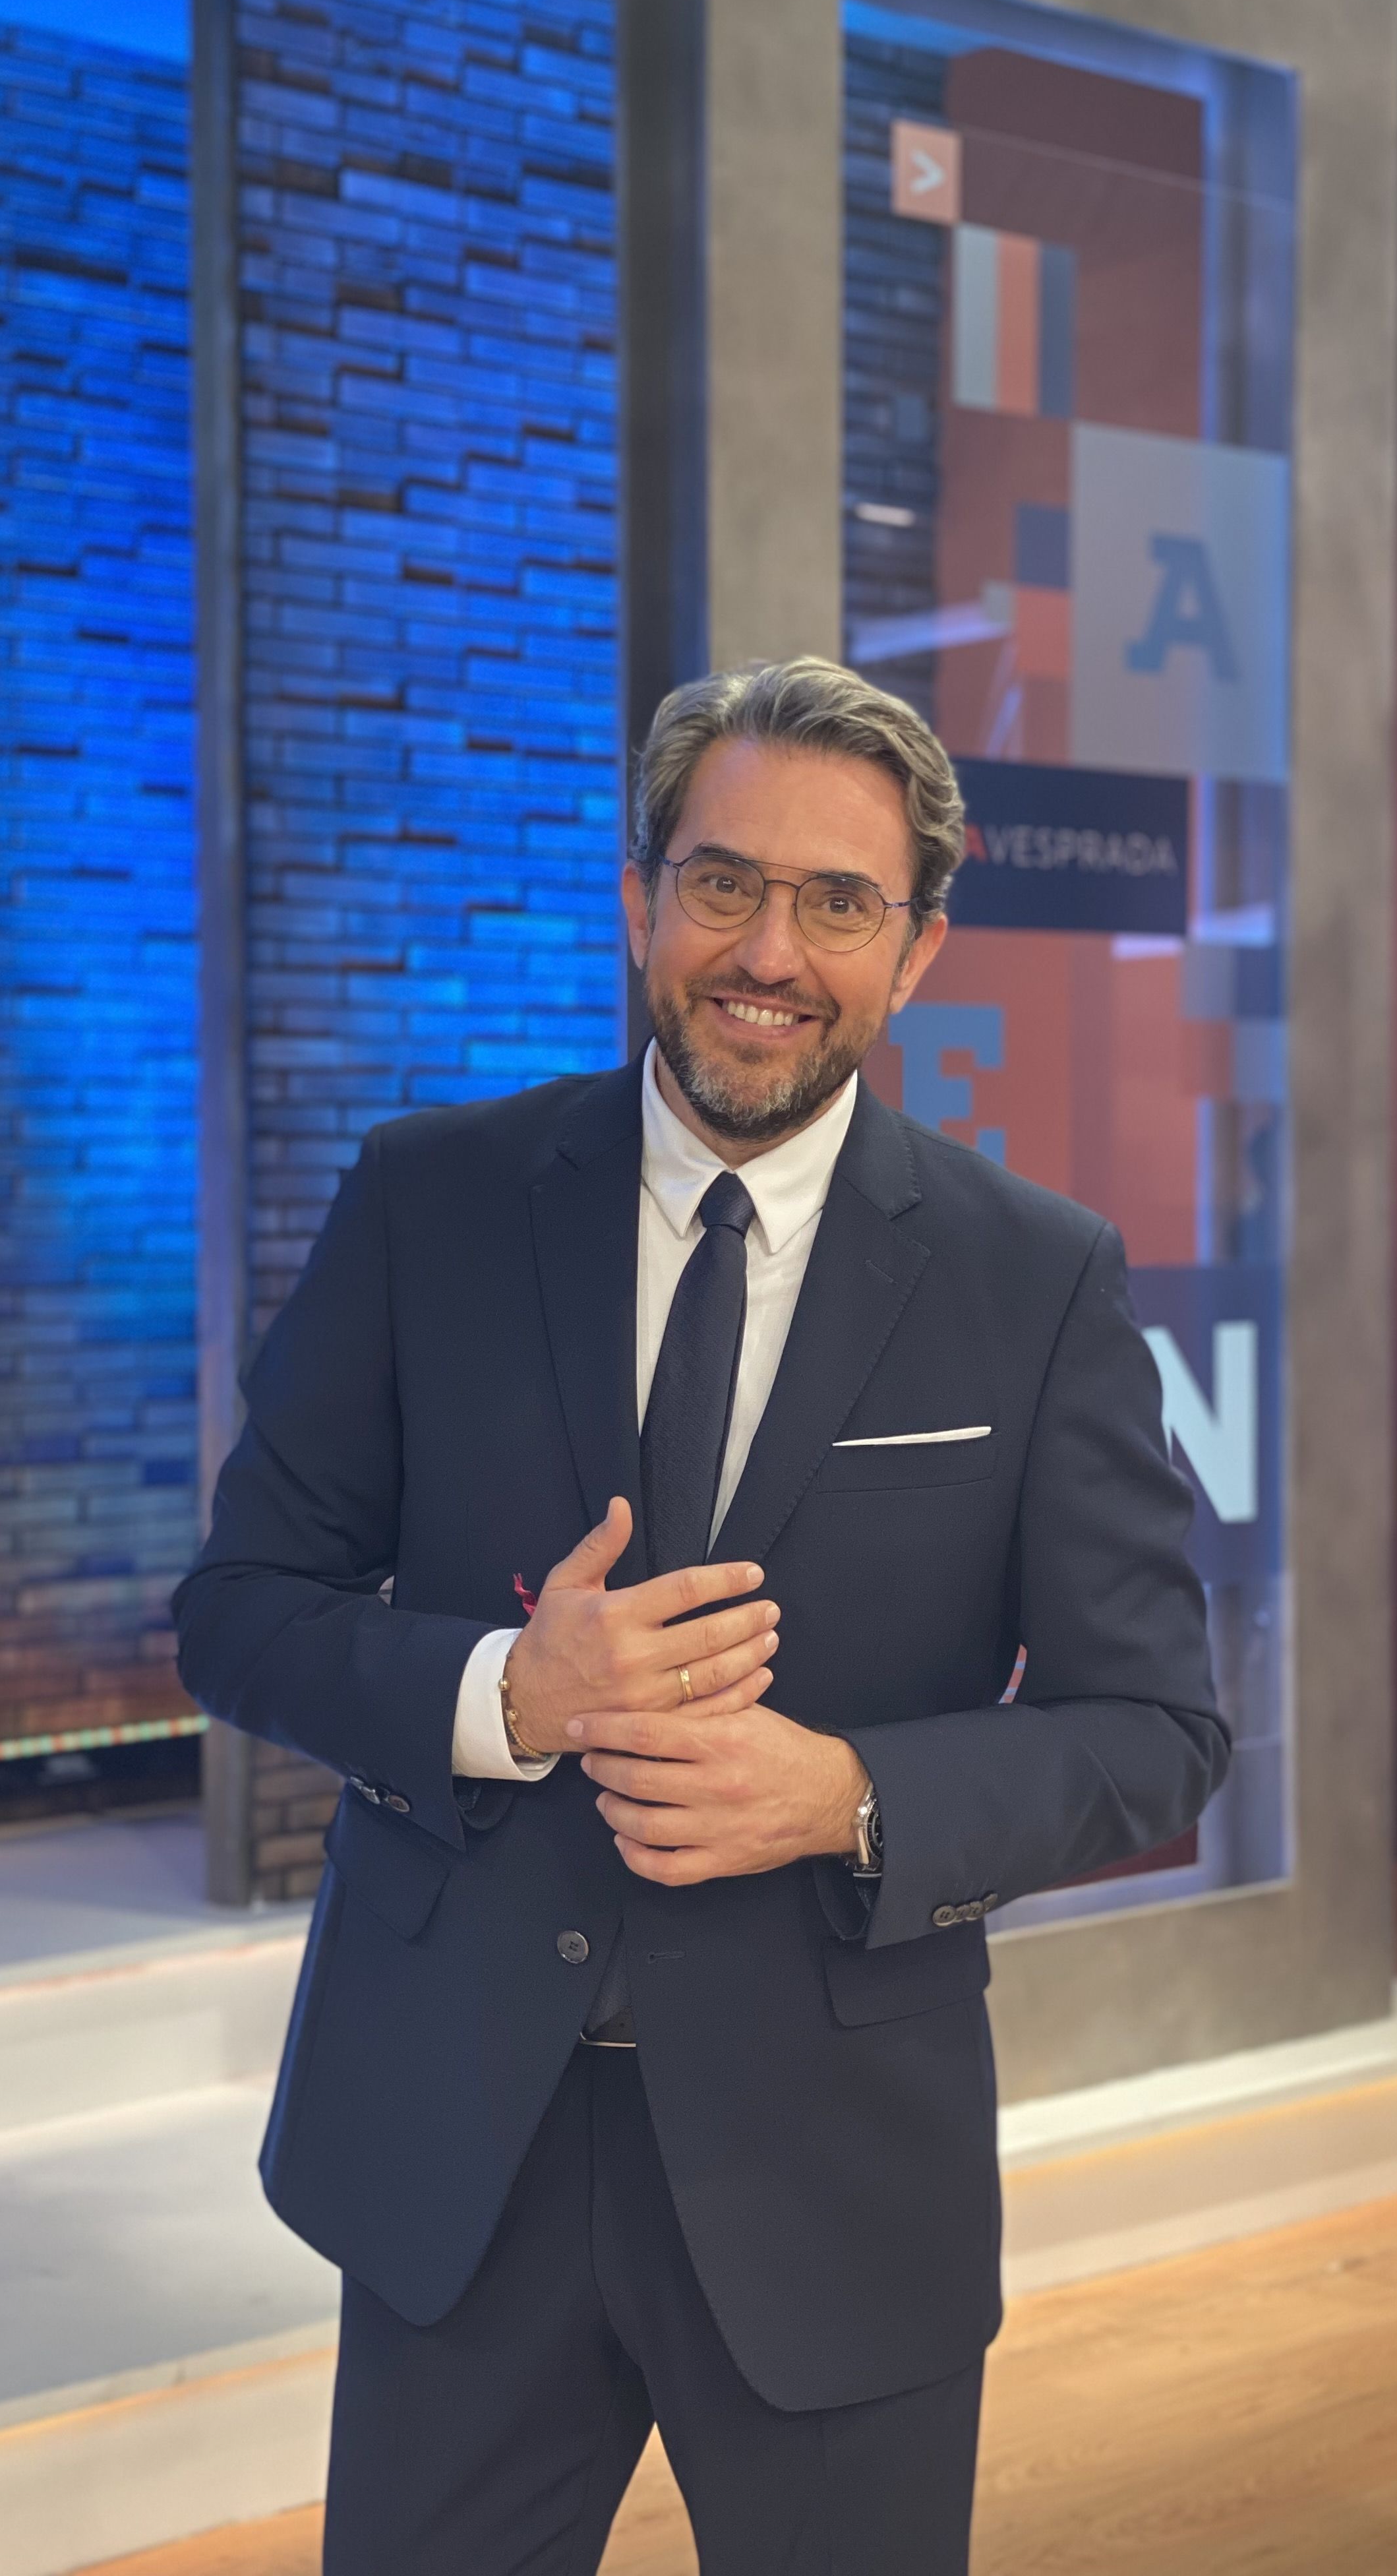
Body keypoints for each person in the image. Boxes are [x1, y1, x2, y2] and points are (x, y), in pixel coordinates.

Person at [175, 656, 1228, 2575]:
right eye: (725, 882)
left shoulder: (1039, 1280)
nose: (770, 951)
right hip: (457, 2148)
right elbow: (237, 1610)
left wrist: (850, 1798)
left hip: (836, 2168)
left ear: (918, 949)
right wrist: (508, 1693)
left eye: (840, 903)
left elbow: (1158, 1729)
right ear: (641, 899)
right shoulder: (429, 1202)